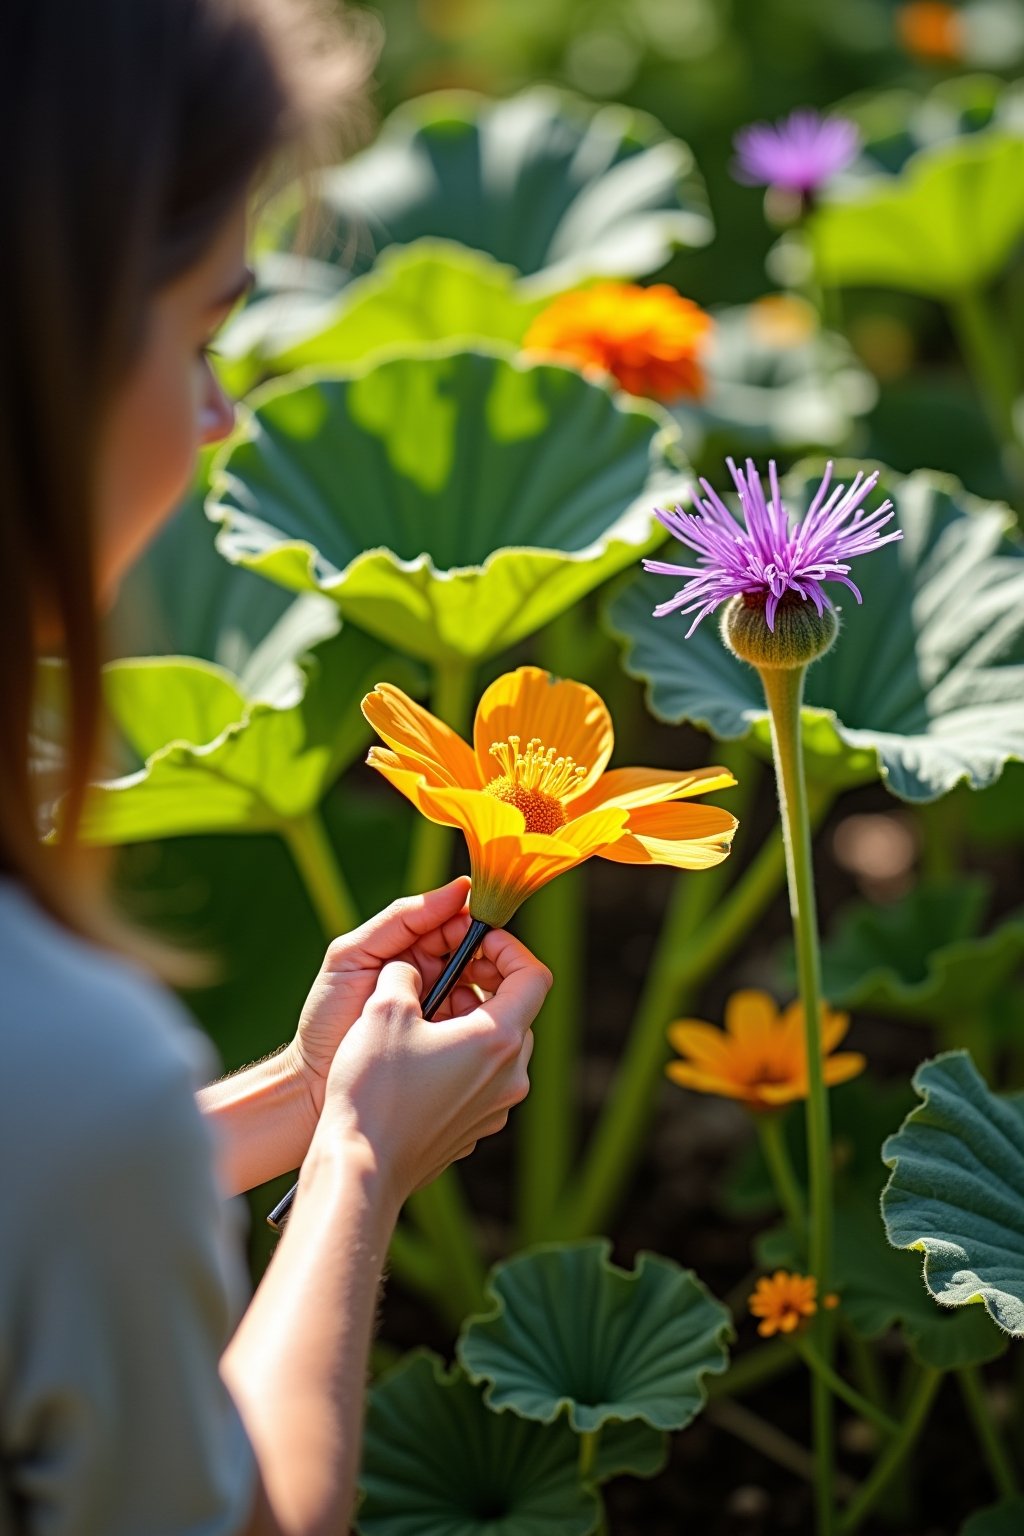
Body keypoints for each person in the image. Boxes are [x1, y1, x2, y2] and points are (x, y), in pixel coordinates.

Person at [0, 2, 552, 1532]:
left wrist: (296, 1096)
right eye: (197, 336)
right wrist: (362, 1165)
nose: (221, 412)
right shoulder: (75, 1062)